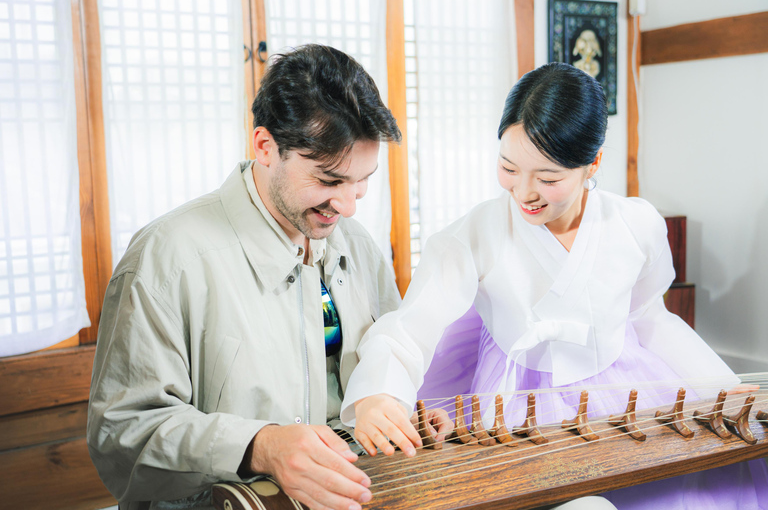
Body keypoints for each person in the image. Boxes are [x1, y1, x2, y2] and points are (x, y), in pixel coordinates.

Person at [342, 63, 768, 508]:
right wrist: (377, 396)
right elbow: (412, 326)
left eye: (548, 179)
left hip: (626, 393)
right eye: (508, 168)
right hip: (511, 403)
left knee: (691, 483)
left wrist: (719, 384)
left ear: (593, 163)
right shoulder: (475, 234)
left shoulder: (636, 224)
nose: (524, 192)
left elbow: (648, 318)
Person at [87, 44, 450, 510]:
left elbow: (385, 363)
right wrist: (262, 446)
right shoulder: (168, 256)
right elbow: (121, 434)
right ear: (264, 147)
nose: (349, 205)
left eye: (362, 180)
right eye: (329, 180)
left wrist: (400, 410)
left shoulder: (355, 243)